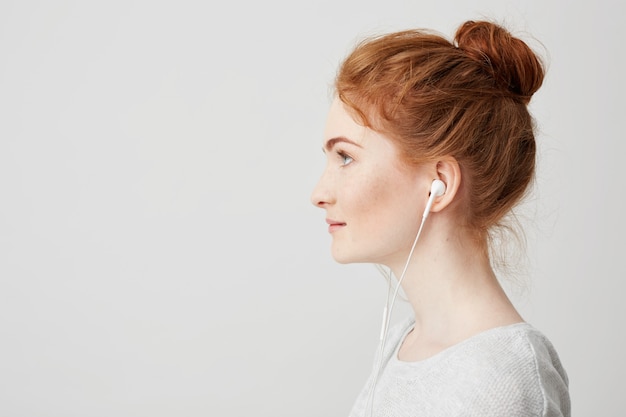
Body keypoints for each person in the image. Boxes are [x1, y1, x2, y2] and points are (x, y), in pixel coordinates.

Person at [310, 20, 570, 417]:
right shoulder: (406, 342)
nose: (318, 194)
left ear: (439, 184)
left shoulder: (501, 377)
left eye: (345, 157)